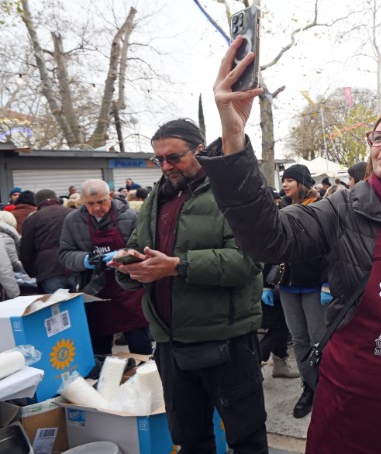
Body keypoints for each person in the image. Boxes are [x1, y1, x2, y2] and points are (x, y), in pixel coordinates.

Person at [205, 41, 381, 453]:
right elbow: (268, 238)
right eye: (377, 137)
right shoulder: (342, 208)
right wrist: (233, 132)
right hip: (358, 402)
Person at [112, 119, 267, 453]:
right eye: (159, 159)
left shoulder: (232, 192)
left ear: (200, 149)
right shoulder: (156, 198)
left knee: (246, 439)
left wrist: (177, 266)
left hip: (227, 341)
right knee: (189, 440)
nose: (166, 166)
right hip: (170, 343)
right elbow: (137, 245)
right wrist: (129, 265)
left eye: (174, 157)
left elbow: (247, 261)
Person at [58, 179, 152, 355]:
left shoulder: (129, 215)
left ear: (110, 196)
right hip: (96, 292)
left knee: (140, 346)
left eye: (101, 202)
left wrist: (125, 253)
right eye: (90, 204)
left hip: (129, 291)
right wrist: (86, 260)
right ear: (82, 202)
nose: (96, 208)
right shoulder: (72, 221)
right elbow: (64, 255)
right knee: (100, 351)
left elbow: (144, 246)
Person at [270, 163, 327, 419]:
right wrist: (266, 282)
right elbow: (271, 246)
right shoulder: (281, 208)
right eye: (283, 180)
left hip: (314, 284)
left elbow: (332, 248)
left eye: (289, 179)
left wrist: (328, 281)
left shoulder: (322, 208)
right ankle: (309, 387)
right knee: (300, 340)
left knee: (318, 340)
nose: (284, 184)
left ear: (302, 181)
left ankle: (325, 388)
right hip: (289, 285)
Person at [19, 189, 73, 294]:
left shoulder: (32, 219)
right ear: (56, 199)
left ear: (37, 203)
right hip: (74, 266)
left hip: (48, 270)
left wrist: (33, 272)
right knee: (81, 304)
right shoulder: (72, 213)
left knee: (57, 307)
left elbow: (25, 250)